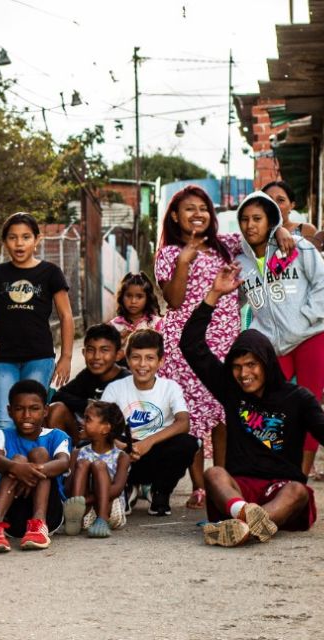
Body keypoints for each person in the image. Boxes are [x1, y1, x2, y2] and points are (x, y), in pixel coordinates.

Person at [154, 185, 292, 509]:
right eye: (189, 208)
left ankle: (226, 479)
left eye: (203, 208)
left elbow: (260, 237)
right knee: (194, 416)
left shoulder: (226, 246)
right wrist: (185, 261)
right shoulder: (169, 253)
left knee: (224, 413)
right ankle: (200, 486)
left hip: (226, 340)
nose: (198, 214)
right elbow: (173, 300)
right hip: (187, 343)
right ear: (175, 215)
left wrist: (281, 226)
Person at [180, 265, 324, 546]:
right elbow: (191, 346)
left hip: (281, 490)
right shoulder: (231, 390)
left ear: (267, 364)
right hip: (238, 490)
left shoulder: (299, 399)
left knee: (298, 490)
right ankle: (248, 517)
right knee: (215, 473)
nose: (243, 374)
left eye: (251, 365)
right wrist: (214, 295)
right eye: (236, 367)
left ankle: (241, 528)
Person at [0, 212, 74, 511]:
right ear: (5, 242)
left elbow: (66, 315)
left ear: (37, 240)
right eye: (12, 237)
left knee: (32, 420)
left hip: (39, 357)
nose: (19, 243)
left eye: (26, 237)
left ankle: (35, 484)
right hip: (4, 359)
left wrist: (65, 357)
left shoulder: (50, 273)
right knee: (1, 420)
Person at [236, 191, 324, 478]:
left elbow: (322, 282)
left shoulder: (297, 246)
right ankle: (276, 471)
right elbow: (236, 303)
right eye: (245, 219)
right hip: (272, 346)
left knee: (309, 405)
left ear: (271, 219)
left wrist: (306, 317)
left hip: (310, 335)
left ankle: (300, 479)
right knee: (269, 406)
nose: (251, 225)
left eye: (258, 219)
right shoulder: (240, 262)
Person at [101, 330, 197, 516]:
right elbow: (102, 424)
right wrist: (121, 446)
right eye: (136, 357)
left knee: (188, 443)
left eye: (150, 358)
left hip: (155, 454)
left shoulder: (169, 387)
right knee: (100, 441)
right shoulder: (115, 388)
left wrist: (148, 443)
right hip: (124, 454)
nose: (143, 364)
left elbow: (183, 422)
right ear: (127, 360)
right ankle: (126, 487)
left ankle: (160, 491)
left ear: (160, 361)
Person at [0, 380, 71, 553]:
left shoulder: (57, 436)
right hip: (13, 515)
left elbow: (63, 462)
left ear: (45, 411)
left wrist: (31, 472)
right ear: (9, 411)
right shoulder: (0, 435)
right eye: (19, 409)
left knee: (40, 454)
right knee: (16, 459)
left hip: (49, 513)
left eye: (34, 408)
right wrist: (17, 469)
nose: (26, 415)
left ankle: (38, 525)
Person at [48, 324, 131, 445]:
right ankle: (63, 456)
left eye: (104, 350)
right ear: (83, 352)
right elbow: (59, 395)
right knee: (56, 409)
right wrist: (88, 404)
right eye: (91, 350)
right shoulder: (88, 375)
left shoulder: (126, 380)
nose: (96, 357)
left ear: (118, 355)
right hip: (86, 434)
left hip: (116, 443)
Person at [63, 401, 132, 538]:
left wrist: (87, 500)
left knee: (99, 466)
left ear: (105, 428)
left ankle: (102, 519)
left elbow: (117, 489)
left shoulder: (121, 456)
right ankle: (74, 518)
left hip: (110, 509)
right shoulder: (77, 453)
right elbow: (67, 487)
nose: (82, 422)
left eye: (87, 419)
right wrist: (78, 502)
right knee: (82, 464)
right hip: (85, 512)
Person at [108, 272, 162, 349]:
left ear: (148, 298)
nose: (133, 301)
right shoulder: (114, 326)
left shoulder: (156, 324)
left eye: (139, 296)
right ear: (121, 297)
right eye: (129, 296)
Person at [262, 180, 320, 249]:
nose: (274, 204)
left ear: (292, 205)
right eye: (268, 199)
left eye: (281, 200)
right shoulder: (254, 232)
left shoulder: (306, 230)